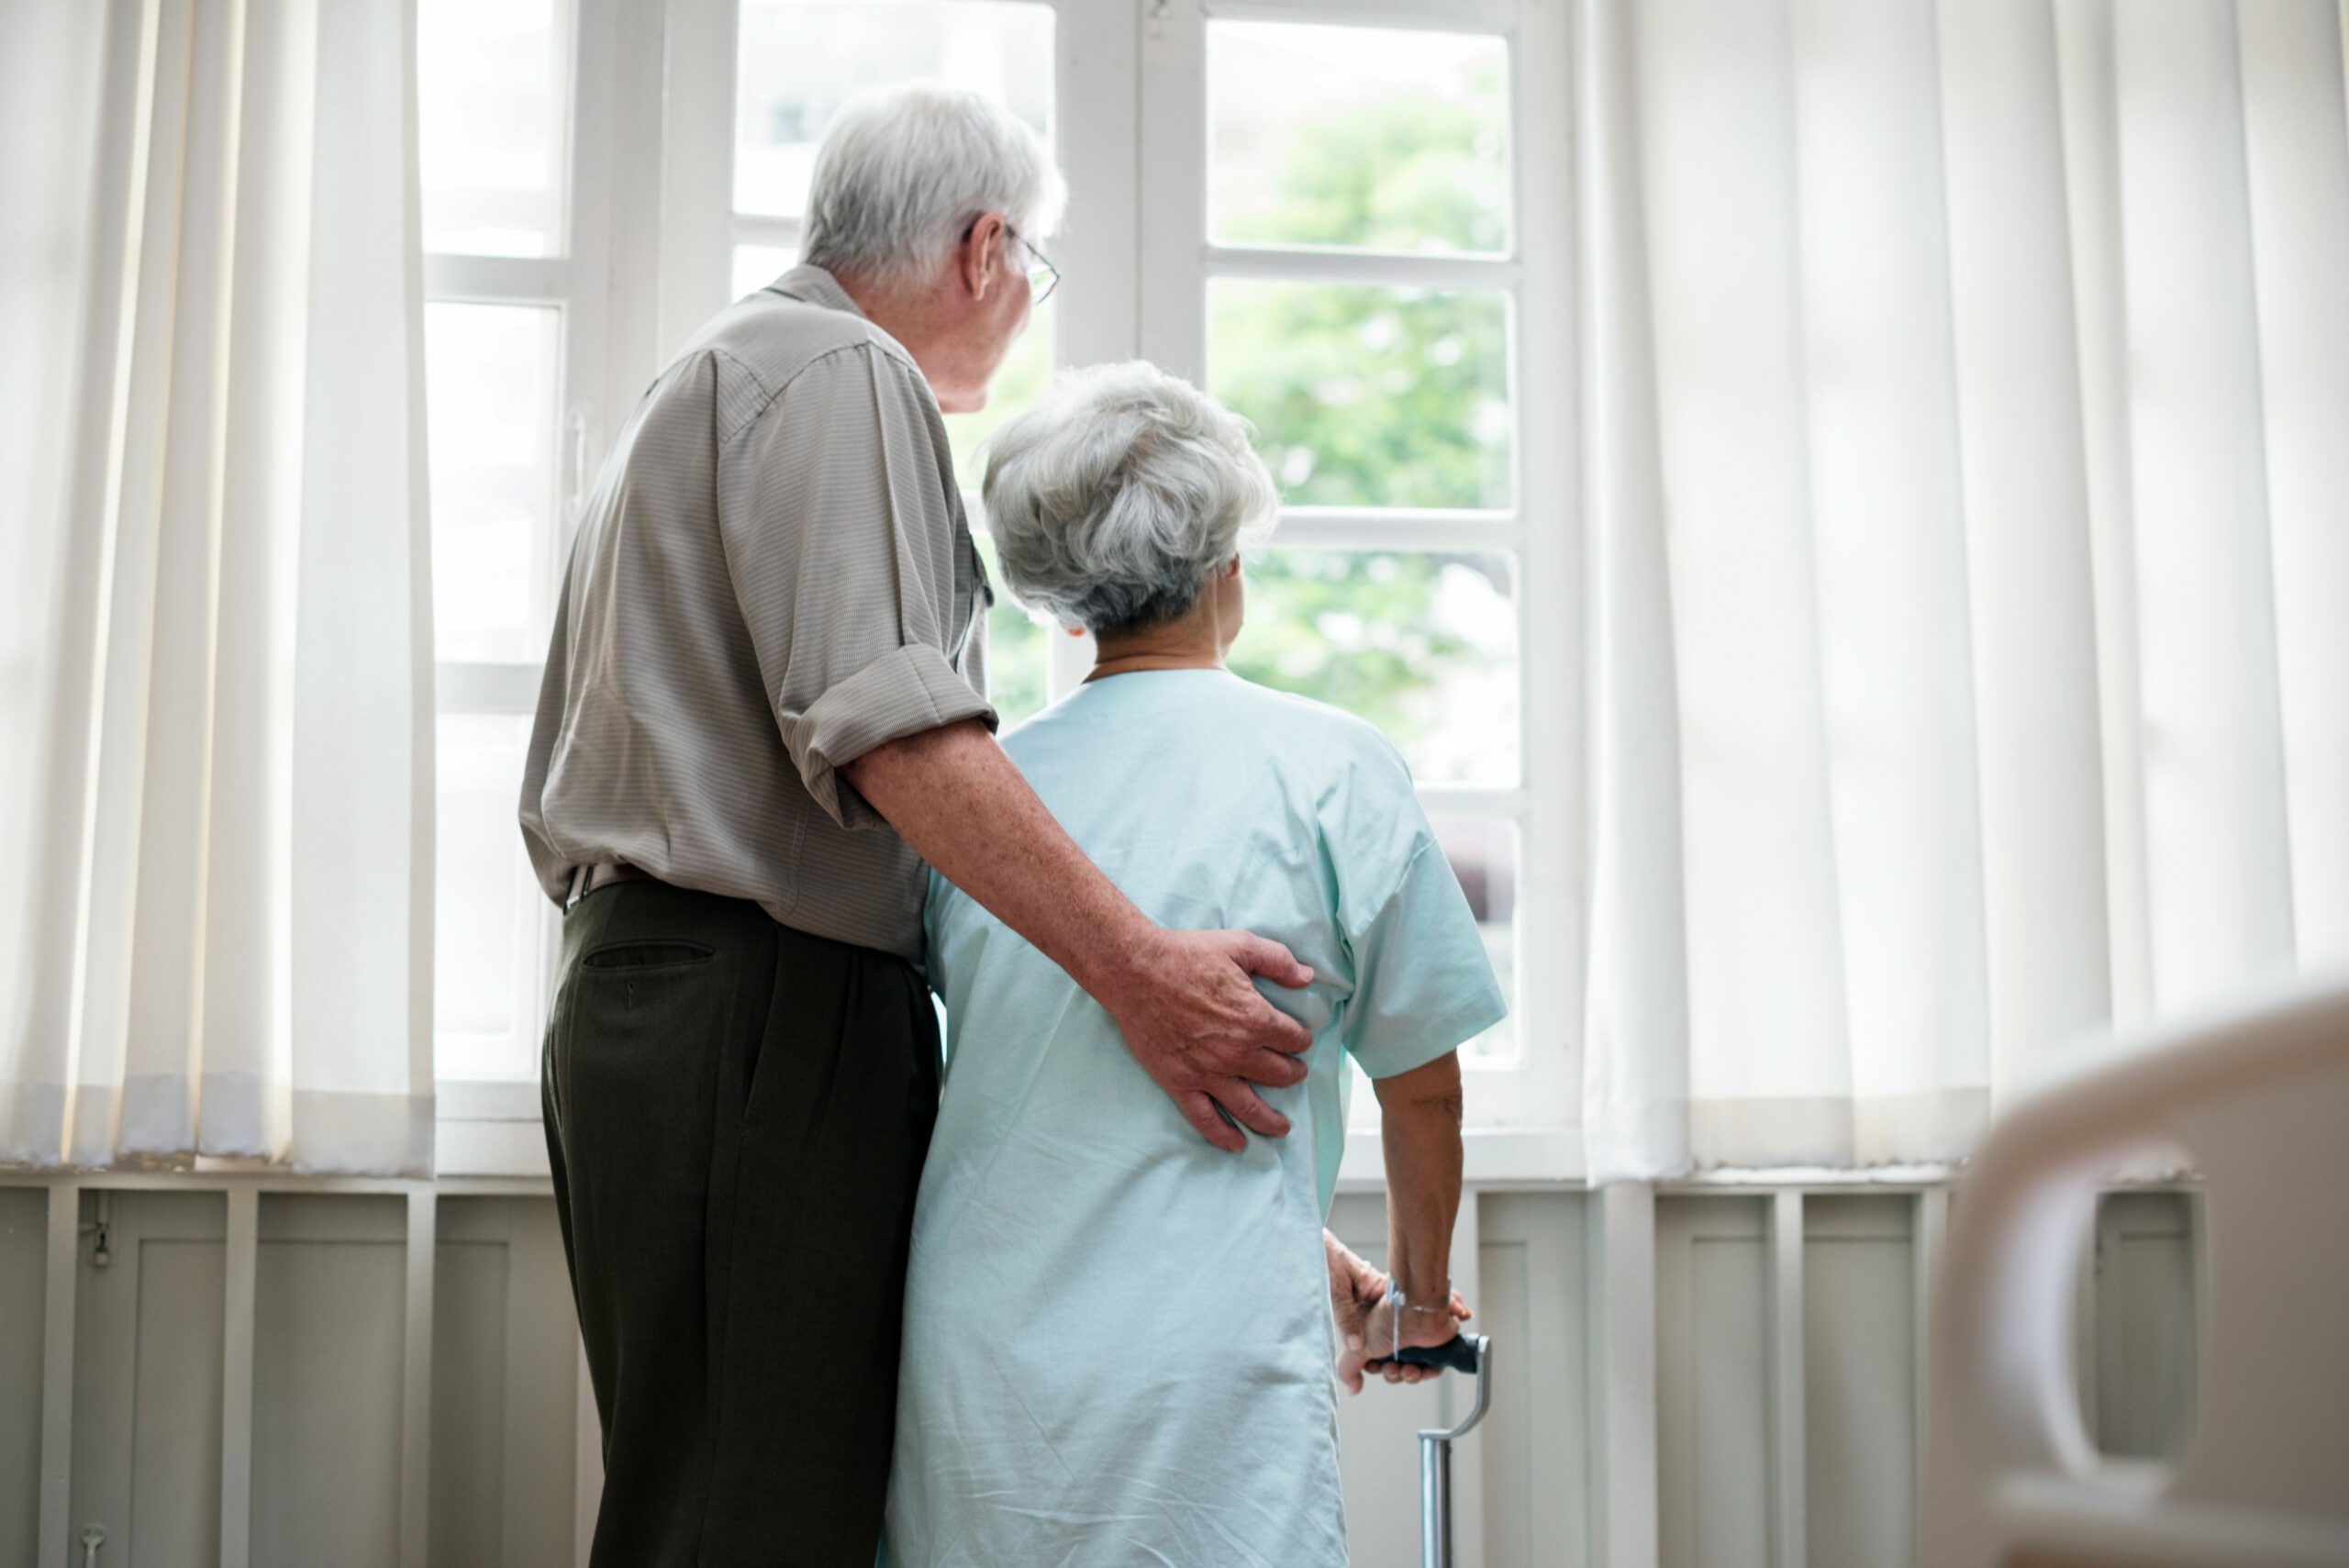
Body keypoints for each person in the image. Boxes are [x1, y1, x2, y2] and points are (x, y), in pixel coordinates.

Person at [520, 87, 1355, 1566]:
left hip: (688, 997)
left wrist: (1291, 1238)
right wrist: (1148, 971)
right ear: (985, 248)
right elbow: (897, 728)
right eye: (1035, 265)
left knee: (726, 1493)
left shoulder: (719, 373)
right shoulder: (840, 369)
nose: (1029, 303)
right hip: (751, 1004)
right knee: (752, 1519)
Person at [885, 361, 1506, 1567]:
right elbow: (1422, 1087)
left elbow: (1039, 1078)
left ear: (1059, 606)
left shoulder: (979, 806)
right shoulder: (1333, 768)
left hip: (979, 1350)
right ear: (1230, 561)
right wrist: (1416, 1305)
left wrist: (1308, 1245)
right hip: (1206, 1360)